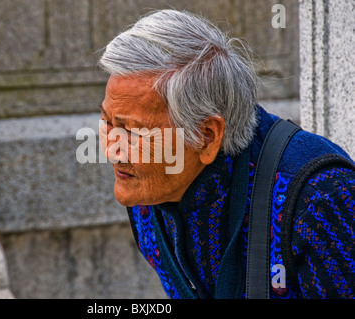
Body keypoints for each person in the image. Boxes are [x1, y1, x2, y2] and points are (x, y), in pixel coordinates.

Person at [97, 9, 355, 299]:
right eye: (108, 122)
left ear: (207, 137)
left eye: (136, 132)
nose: (113, 150)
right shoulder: (146, 191)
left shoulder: (319, 199)